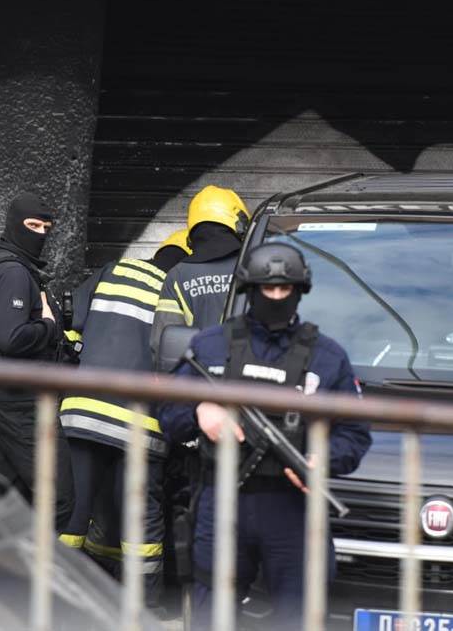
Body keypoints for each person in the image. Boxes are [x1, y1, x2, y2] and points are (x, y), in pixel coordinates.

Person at [157, 242, 373, 630]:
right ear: (250, 290)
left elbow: (354, 433)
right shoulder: (211, 346)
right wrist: (199, 412)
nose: (275, 297)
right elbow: (168, 414)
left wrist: (323, 459)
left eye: (284, 289)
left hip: (292, 507)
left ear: (299, 291)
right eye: (266, 289)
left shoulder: (327, 357)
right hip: (222, 501)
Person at [57, 228, 192, 598]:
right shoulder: (176, 290)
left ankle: (59, 598)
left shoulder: (112, 270)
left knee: (75, 510)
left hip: (83, 413)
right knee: (139, 517)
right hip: (139, 424)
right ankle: (143, 603)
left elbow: (70, 331)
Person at [0, 192, 74, 530]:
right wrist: (49, 326)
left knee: (13, 504)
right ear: (14, 224)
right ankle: (34, 562)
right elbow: (12, 338)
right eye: (33, 225)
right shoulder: (14, 273)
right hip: (21, 405)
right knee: (59, 500)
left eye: (47, 228)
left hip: (6, 401)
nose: (41, 234)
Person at [149, 186, 250, 361]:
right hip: (252, 373)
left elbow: (163, 344)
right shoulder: (253, 266)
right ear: (239, 224)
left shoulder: (178, 275)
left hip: (199, 375)